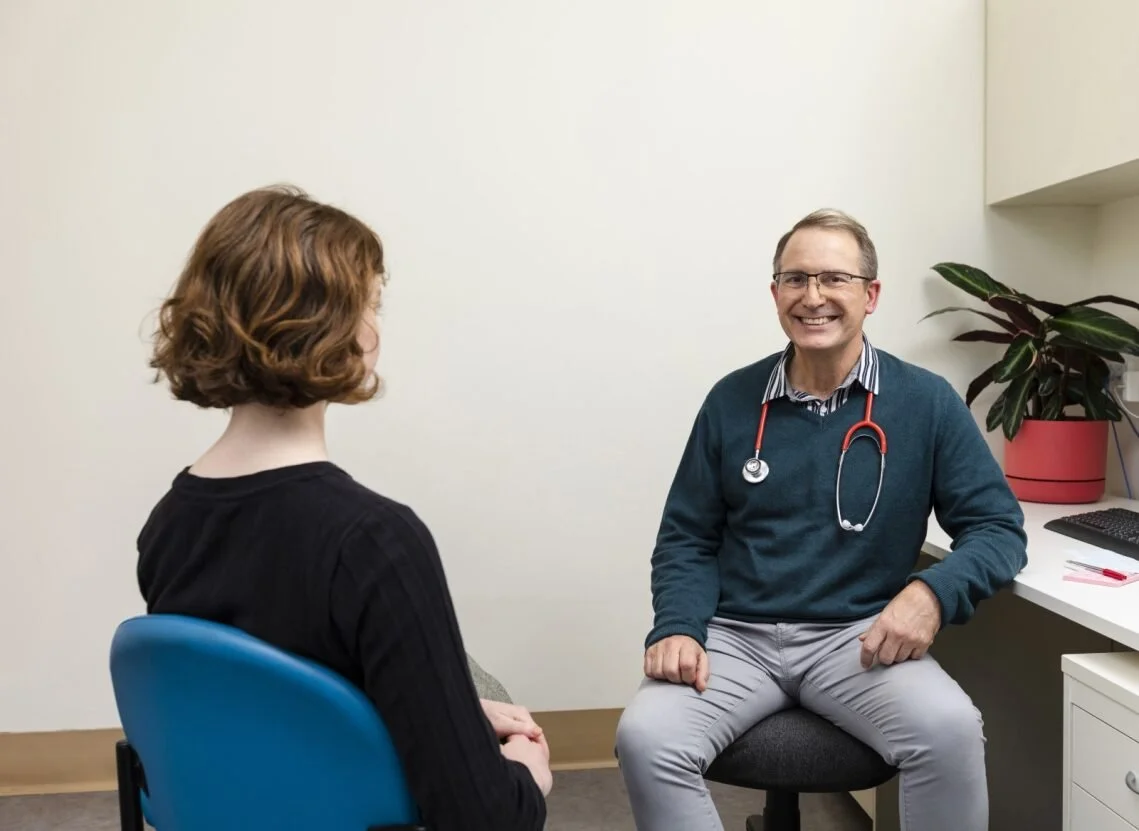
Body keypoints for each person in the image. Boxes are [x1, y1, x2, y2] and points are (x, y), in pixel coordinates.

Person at [138, 185, 551, 829]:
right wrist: (526, 777)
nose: (374, 328)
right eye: (370, 306)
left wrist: (457, 719)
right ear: (330, 331)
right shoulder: (375, 541)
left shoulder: (168, 524)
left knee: (476, 691)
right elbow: (481, 818)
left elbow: (278, 711)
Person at [614, 208, 1027, 831]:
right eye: (795, 279)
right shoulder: (732, 400)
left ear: (870, 294)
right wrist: (677, 626)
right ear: (776, 292)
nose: (813, 297)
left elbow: (998, 528)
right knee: (647, 738)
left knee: (949, 731)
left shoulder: (925, 403)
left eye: (834, 279)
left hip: (857, 637)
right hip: (736, 637)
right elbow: (687, 537)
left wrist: (931, 595)